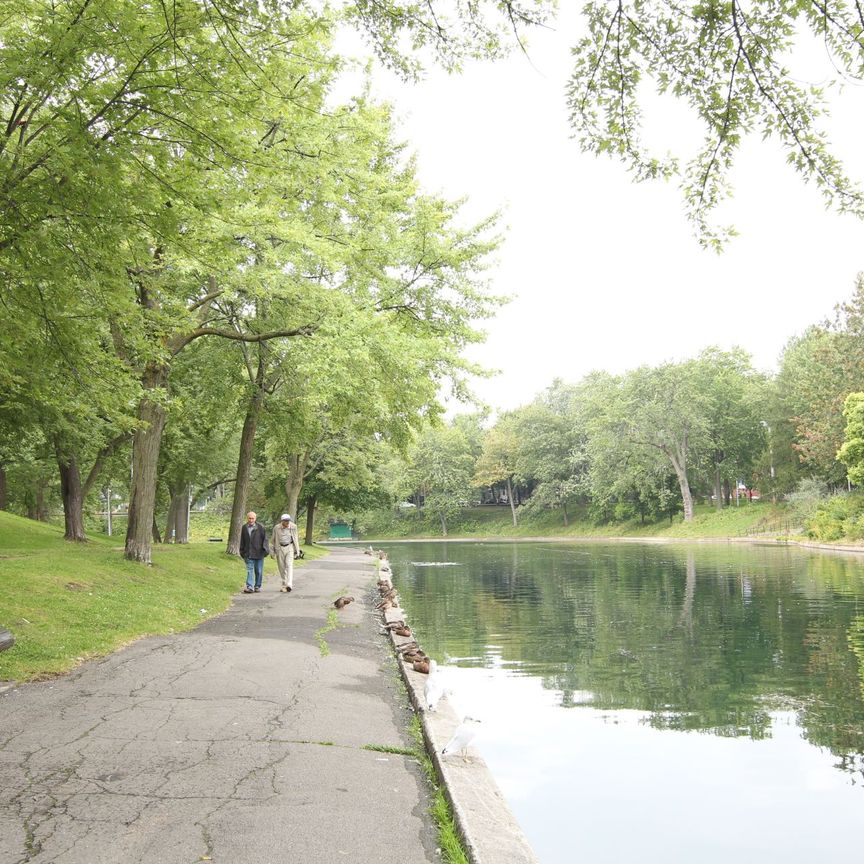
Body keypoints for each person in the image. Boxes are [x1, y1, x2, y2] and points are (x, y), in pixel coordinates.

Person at [239, 511, 269, 593]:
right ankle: (250, 587)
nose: (251, 520)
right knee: (250, 570)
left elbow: (265, 539)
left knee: (258, 571)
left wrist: (265, 550)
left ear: (255, 518)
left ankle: (257, 586)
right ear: (247, 518)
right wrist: (242, 551)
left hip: (259, 553)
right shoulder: (244, 527)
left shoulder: (260, 527)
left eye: (252, 518)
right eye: (249, 518)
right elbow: (242, 540)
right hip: (248, 553)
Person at [271, 514, 300, 592]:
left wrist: (297, 551)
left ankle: (289, 584)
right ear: (282, 521)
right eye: (286, 521)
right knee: (281, 567)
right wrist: (272, 552)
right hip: (279, 548)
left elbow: (296, 538)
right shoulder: (276, 528)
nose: (287, 522)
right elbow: (273, 540)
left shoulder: (293, 527)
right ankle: (284, 584)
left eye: (288, 520)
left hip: (289, 547)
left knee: (289, 565)